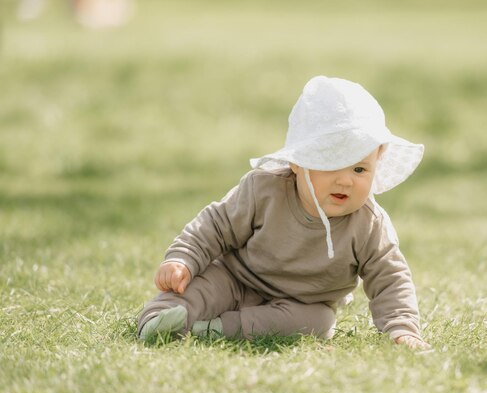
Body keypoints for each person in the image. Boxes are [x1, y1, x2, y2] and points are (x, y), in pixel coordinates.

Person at [137, 75, 431, 350]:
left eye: (359, 168)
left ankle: (214, 330)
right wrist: (182, 259)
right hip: (237, 278)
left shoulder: (368, 224)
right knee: (199, 288)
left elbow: (390, 278)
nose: (346, 180)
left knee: (318, 323)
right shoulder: (264, 190)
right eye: (332, 165)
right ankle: (160, 319)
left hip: (302, 303)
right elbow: (215, 225)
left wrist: (402, 329)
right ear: (297, 162)